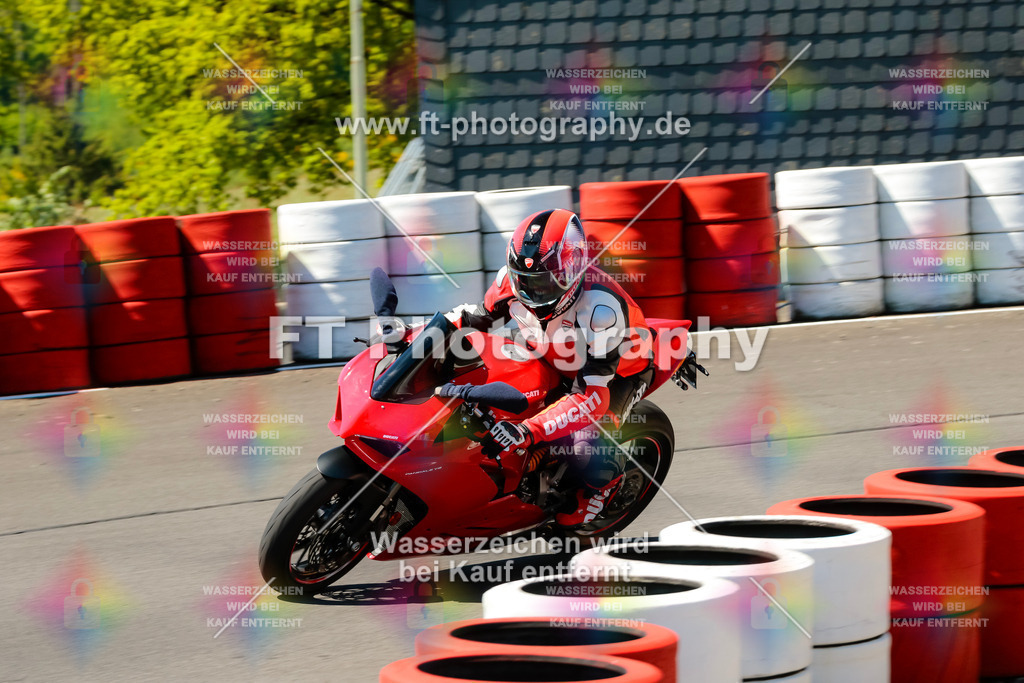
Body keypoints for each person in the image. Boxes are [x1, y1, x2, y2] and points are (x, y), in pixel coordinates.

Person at [452, 209, 654, 528]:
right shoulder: (510, 282)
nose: (532, 294)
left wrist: (529, 430)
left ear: (573, 272)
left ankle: (604, 486)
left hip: (615, 372)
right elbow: (471, 318)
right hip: (552, 352)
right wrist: (414, 332)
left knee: (586, 444)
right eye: (525, 282)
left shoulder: (602, 312)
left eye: (544, 284)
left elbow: (591, 399)